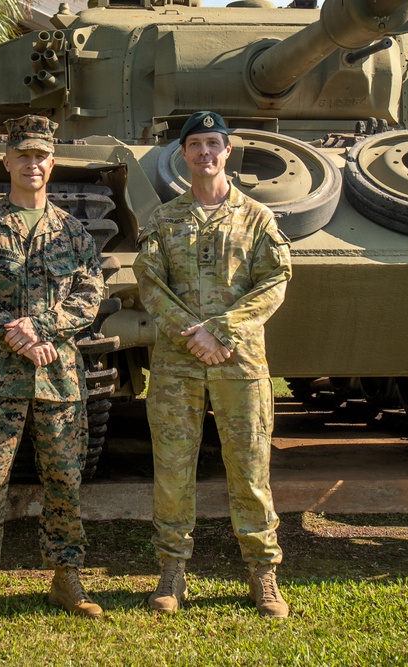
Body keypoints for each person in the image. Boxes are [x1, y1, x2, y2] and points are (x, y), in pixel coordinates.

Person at [134, 111, 293, 618]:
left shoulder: (257, 216)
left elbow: (276, 279)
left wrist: (219, 332)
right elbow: (150, 283)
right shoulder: (164, 219)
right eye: (195, 144)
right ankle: (172, 572)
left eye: (213, 144)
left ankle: (263, 574)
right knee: (173, 470)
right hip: (178, 365)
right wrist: (194, 334)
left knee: (249, 469)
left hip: (239, 362)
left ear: (228, 152)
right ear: (183, 154)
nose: (205, 152)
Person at [0, 114, 104, 633]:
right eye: (23, 155)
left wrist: (38, 329)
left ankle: (66, 576)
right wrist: (16, 337)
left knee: (64, 481)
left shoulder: (73, 232)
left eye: (41, 155)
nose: (32, 163)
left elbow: (89, 296)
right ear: (8, 161)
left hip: (57, 380)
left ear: (51, 164)